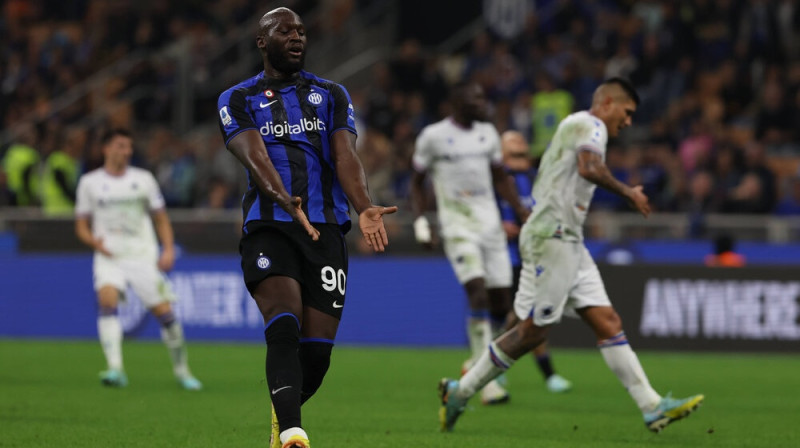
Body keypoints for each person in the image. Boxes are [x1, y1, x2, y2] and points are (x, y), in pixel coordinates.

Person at [438, 78, 704, 434]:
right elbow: (589, 168)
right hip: (554, 237)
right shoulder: (589, 125)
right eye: (626, 113)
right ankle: (463, 390)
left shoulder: (582, 128)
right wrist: (629, 193)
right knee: (533, 332)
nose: (627, 123)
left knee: (606, 321)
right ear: (607, 103)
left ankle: (652, 407)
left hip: (567, 239)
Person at [216, 8, 397, 448]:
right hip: (270, 225)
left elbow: (345, 157)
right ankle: (295, 433)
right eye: (285, 30)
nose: (296, 37)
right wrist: (282, 197)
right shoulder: (237, 98)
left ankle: (284, 416)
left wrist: (364, 206)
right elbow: (254, 156)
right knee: (284, 321)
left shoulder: (331, 93)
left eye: (301, 30)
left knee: (316, 354)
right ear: (262, 41)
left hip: (327, 231)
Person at [410, 81, 530, 406]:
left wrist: (519, 209)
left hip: (490, 225)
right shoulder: (433, 136)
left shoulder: (488, 134)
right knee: (476, 290)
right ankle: (484, 377)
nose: (481, 101)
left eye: (482, 96)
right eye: (475, 96)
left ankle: (473, 363)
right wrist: (422, 220)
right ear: (457, 101)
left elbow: (500, 176)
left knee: (502, 304)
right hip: (457, 224)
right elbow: (417, 182)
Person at [74, 128, 202, 391]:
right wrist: (93, 241)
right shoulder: (89, 183)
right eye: (121, 146)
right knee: (106, 299)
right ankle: (115, 368)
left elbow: (161, 218)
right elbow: (81, 224)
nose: (127, 151)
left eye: (129, 146)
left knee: (165, 314)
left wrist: (167, 249)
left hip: (142, 255)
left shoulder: (143, 179)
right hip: (108, 255)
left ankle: (182, 370)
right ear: (106, 149)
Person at [497, 130, 572, 393]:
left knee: (526, 315)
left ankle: (493, 364)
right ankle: (496, 364)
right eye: (512, 142)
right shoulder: (497, 179)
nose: (520, 143)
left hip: (532, 254)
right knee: (524, 314)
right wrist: (499, 226)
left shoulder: (532, 178)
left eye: (521, 140)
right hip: (505, 257)